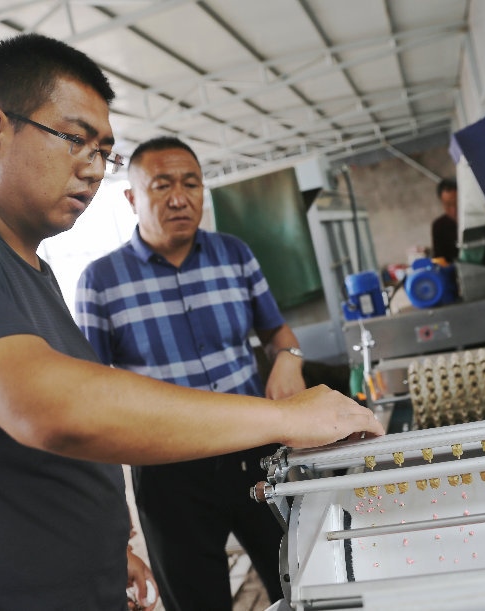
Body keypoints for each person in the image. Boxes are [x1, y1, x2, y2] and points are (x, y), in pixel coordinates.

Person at [0, 34, 384, 611]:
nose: (94, 169)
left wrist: (105, 545)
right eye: (76, 140)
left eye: (105, 152)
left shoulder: (33, 271)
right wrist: (285, 417)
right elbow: (53, 405)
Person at [75, 136, 303, 611]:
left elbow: (276, 331)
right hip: (166, 469)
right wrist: (109, 511)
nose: (179, 198)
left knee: (300, 582)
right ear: (132, 198)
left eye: (191, 184)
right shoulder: (101, 281)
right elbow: (90, 395)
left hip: (254, 450)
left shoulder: (235, 254)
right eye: (162, 185)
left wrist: (289, 357)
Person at [431, 177, 459, 262]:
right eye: (448, 205)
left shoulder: (477, 220)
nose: (453, 210)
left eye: (456, 203)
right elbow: (439, 260)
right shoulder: (439, 227)